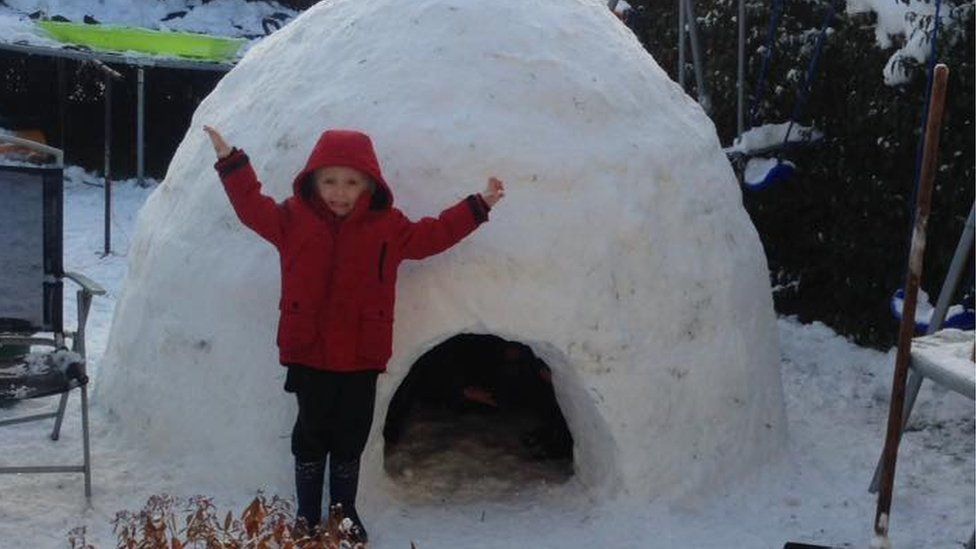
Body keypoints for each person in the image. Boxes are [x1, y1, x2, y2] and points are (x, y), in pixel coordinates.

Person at [203, 125, 505, 542]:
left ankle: (343, 511)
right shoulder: (292, 220)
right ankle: (308, 514)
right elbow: (252, 206)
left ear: (370, 185)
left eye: (351, 182)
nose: (339, 192)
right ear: (312, 181)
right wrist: (231, 161)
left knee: (351, 436)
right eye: (329, 181)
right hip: (309, 351)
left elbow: (432, 235)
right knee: (310, 432)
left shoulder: (388, 228)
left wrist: (478, 206)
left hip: (362, 355)